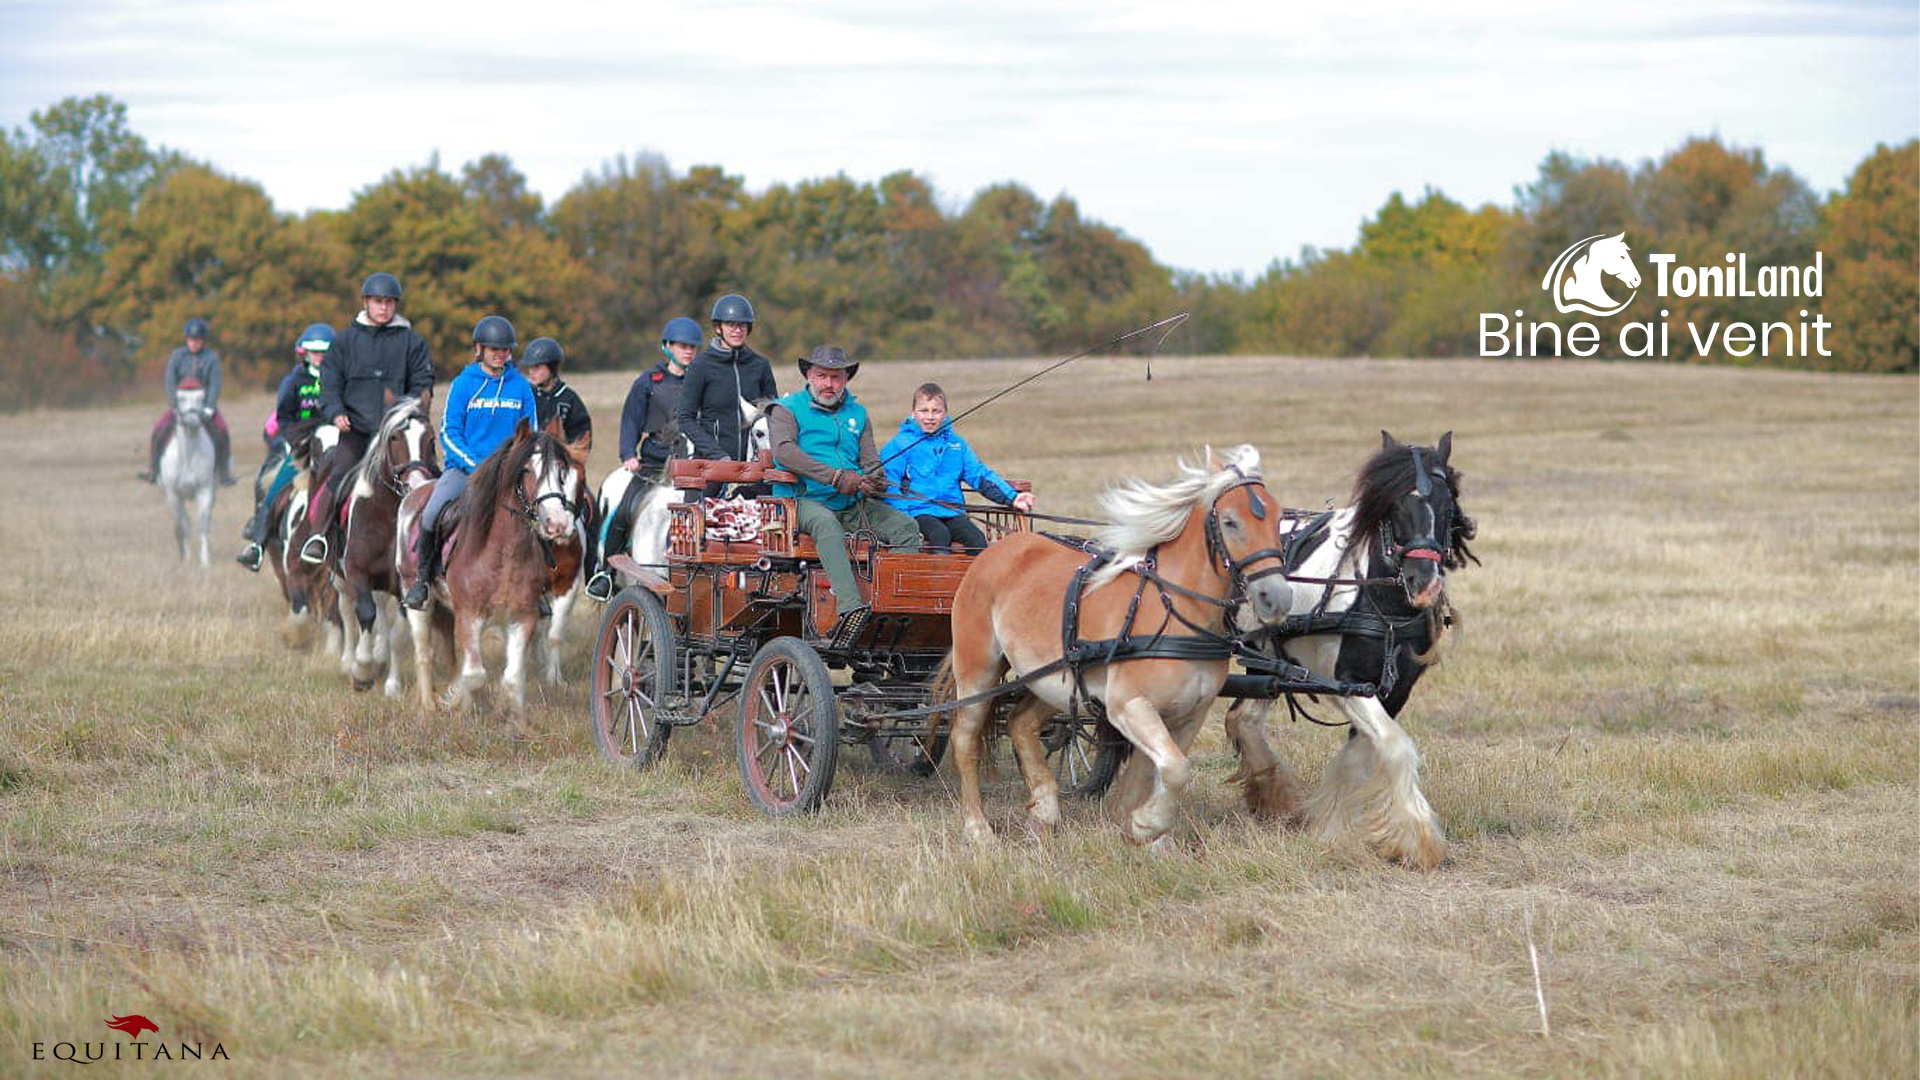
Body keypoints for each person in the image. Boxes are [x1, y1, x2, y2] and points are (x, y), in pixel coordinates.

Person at [767, 346, 921, 634]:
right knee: (826, 525)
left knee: (907, 527)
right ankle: (850, 612)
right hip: (800, 501)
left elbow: (871, 460)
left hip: (851, 503)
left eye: (835, 377)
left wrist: (876, 480)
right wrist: (837, 477)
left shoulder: (859, 414)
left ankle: (894, 611)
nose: (829, 384)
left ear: (845, 379)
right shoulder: (785, 410)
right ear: (809, 375)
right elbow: (785, 453)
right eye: (822, 376)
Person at [403, 316, 538, 610]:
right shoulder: (463, 384)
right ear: (479, 349)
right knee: (432, 512)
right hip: (465, 469)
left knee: (542, 512)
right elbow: (449, 433)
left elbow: (530, 434)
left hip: (510, 471)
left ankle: (537, 587)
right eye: (493, 349)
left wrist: (514, 464)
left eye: (505, 349)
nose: (500, 354)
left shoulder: (521, 387)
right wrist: (476, 465)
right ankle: (422, 580)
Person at [301, 271, 435, 564]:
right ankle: (318, 536)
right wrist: (336, 412)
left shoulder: (413, 342)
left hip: (399, 433)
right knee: (337, 476)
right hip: (357, 431)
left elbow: (423, 382)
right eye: (378, 302)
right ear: (365, 303)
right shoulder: (345, 342)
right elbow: (330, 383)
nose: (384, 307)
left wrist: (405, 412)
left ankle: (435, 546)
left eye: (389, 302)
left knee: (429, 475)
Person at [584, 316, 700, 601]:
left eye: (693, 347)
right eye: (683, 346)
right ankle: (605, 573)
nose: (689, 351)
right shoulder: (649, 381)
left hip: (689, 463)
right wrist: (628, 454)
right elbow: (631, 420)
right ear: (668, 346)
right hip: (653, 463)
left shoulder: (702, 382)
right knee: (624, 509)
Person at [882, 383, 1035, 554]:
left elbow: (978, 475)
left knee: (976, 539)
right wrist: (903, 517)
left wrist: (1012, 498)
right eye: (924, 411)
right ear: (913, 413)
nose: (930, 417)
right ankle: (939, 579)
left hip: (952, 512)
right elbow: (889, 483)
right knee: (940, 535)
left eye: (936, 411)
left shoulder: (957, 445)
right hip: (917, 512)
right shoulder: (899, 444)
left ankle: (975, 580)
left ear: (945, 414)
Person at [236, 324, 330, 570]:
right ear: (305, 352)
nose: (319, 356)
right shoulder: (294, 381)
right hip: (302, 447)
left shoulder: (340, 379)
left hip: (334, 445)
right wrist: (294, 440)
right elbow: (284, 417)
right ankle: (257, 546)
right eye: (314, 351)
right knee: (275, 490)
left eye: (325, 351)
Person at [676, 294, 776, 463]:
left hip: (753, 465)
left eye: (742, 325)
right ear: (718, 328)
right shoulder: (700, 366)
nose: (737, 330)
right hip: (711, 463)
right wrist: (717, 455)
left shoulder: (760, 365)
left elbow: (772, 414)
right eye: (731, 325)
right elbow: (685, 419)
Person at [143, 317, 236, 486]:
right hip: (181, 406)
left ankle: (224, 472)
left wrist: (209, 408)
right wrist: (174, 404)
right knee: (159, 430)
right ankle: (153, 469)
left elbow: (215, 384)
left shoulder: (211, 358)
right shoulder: (177, 356)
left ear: (203, 340)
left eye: (198, 340)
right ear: (186, 339)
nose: (194, 343)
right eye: (191, 339)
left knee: (222, 432)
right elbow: (170, 380)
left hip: (204, 406)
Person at [524, 337, 591, 446]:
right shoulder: (527, 396)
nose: (531, 372)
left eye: (537, 367)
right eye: (530, 367)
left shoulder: (569, 399)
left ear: (552, 367)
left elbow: (582, 436)